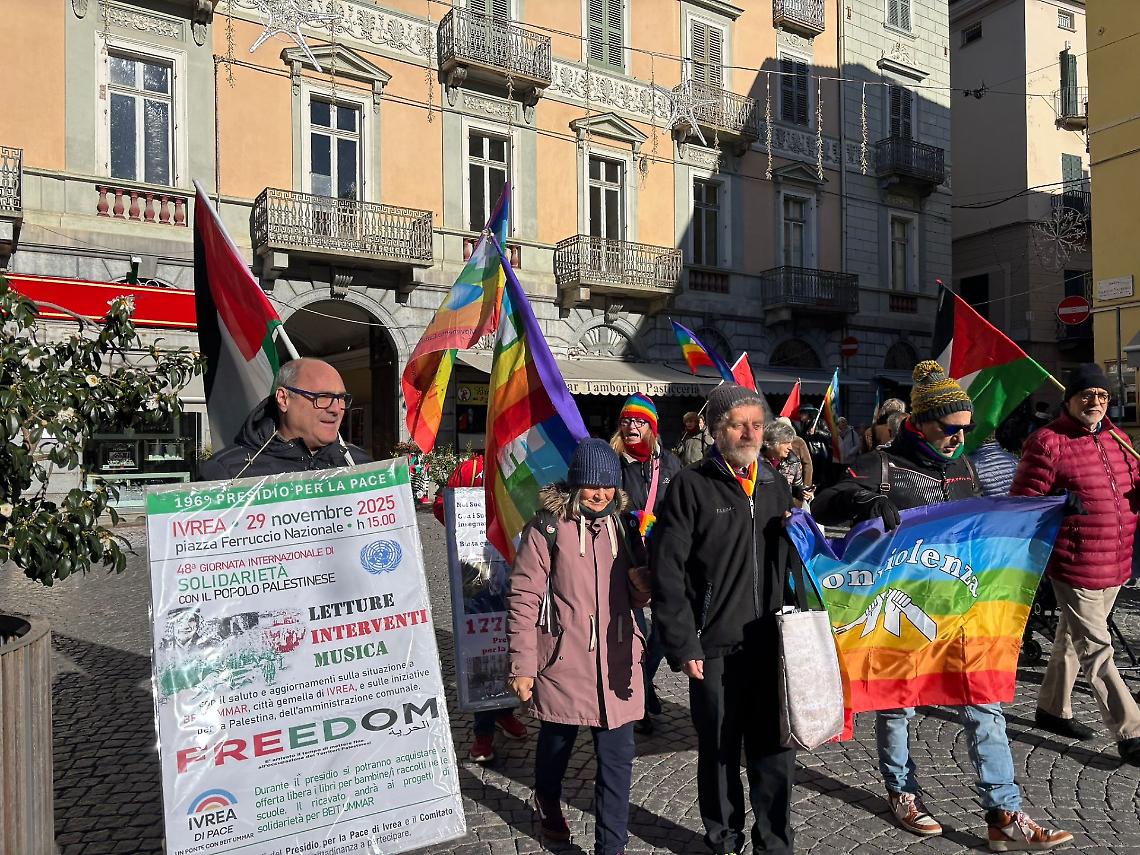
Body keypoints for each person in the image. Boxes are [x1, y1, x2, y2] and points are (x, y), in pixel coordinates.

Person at [813, 361, 1072, 851]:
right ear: (921, 420)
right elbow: (827, 498)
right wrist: (864, 502)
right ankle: (902, 790)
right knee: (897, 704)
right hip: (901, 611)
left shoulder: (965, 466)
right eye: (950, 428)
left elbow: (996, 520)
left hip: (961, 608)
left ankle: (1004, 812)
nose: (959, 437)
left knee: (984, 705)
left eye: (966, 428)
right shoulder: (883, 464)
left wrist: (1052, 512)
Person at [651, 383, 800, 855]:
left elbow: (794, 560)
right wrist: (683, 643)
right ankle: (724, 838)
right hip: (711, 642)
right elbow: (668, 570)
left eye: (756, 424)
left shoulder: (776, 483)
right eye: (738, 424)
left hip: (770, 641)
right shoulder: (690, 485)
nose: (749, 432)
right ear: (717, 429)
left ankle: (774, 842)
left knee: (775, 749)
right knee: (719, 749)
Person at [507, 438, 650, 855]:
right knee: (556, 744)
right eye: (591, 485)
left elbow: (637, 595)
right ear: (574, 485)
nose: (600, 493)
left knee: (617, 764)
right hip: (564, 659)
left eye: (607, 486)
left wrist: (644, 588)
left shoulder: (624, 525)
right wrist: (523, 664)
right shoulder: (546, 527)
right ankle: (547, 800)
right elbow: (523, 596)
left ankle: (612, 847)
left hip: (619, 659)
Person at [1010, 364, 1140, 765]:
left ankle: (1051, 709)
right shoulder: (1047, 443)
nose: (1095, 403)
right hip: (1074, 559)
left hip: (1116, 558)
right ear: (1069, 399)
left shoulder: (1120, 439)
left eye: (1102, 396)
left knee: (1069, 635)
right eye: (1087, 395)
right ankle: (1131, 730)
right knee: (1098, 648)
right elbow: (1023, 503)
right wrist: (1059, 505)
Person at [431, 453, 529, 763]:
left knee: (513, 646)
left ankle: (505, 711)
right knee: (483, 650)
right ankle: (483, 732)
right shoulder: (469, 468)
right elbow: (441, 507)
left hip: (521, 568)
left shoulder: (525, 465)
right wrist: (464, 528)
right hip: (478, 572)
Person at [610, 393, 680, 734]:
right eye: (626, 420)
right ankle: (640, 702)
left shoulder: (669, 463)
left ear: (651, 427)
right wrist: (628, 515)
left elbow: (683, 506)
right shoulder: (611, 461)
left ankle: (645, 680)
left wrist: (662, 524)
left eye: (639, 422)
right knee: (636, 632)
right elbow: (600, 503)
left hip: (664, 558)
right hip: (624, 559)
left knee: (666, 631)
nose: (631, 427)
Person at [199, 358, 370, 479]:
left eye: (341, 398)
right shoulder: (228, 471)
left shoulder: (360, 464)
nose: (335, 409)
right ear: (283, 399)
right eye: (323, 396)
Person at [762, 419, 811, 506]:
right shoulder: (755, 462)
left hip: (784, 513)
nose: (790, 447)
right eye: (786, 443)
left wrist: (804, 492)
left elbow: (796, 487)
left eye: (791, 443)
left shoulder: (793, 462)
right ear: (773, 443)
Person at [775, 416, 814, 489]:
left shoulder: (799, 442)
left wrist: (806, 486)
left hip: (795, 486)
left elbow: (807, 464)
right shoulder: (772, 444)